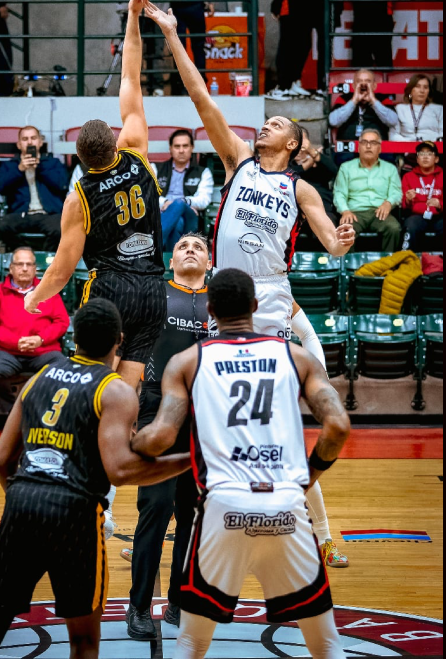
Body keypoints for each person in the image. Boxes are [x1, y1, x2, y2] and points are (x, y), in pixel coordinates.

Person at [144, 0, 355, 568]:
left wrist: (343, 237)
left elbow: (333, 247)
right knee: (226, 413)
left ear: (292, 145)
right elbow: (200, 97)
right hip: (227, 306)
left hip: (277, 306)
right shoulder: (237, 159)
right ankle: (218, 505)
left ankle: (320, 527)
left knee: (313, 410)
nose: (266, 123)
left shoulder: (301, 190)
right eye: (267, 120)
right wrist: (169, 32)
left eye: (278, 123)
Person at [131, 269, 352, 659]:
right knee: (326, 644)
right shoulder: (296, 358)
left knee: (192, 643)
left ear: (211, 311)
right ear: (254, 306)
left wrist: (127, 438)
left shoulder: (187, 361)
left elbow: (161, 437)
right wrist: (307, 477)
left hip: (223, 509)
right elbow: (338, 425)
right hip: (285, 508)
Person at [0, 299, 192, 659]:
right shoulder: (114, 390)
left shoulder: (38, 378)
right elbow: (121, 470)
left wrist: (26, 500)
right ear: (120, 340)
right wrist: (190, 459)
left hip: (22, 506)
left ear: (73, 337)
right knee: (82, 642)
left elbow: (2, 461)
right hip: (74, 515)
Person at [24, 0, 167, 400]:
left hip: (112, 291)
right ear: (116, 141)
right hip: (153, 288)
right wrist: (133, 16)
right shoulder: (138, 153)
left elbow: (61, 272)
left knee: (90, 388)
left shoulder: (79, 197)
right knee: (126, 393)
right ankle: (120, 456)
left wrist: (34, 298)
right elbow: (130, 75)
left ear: (80, 159)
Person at [122, 233, 216, 639]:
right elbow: (126, 353)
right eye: (182, 246)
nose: (190, 249)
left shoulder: (222, 300)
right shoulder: (154, 294)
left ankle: (179, 600)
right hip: (158, 408)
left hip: (206, 413)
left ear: (210, 260)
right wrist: (125, 411)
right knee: (155, 511)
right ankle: (139, 605)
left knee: (193, 516)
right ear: (170, 260)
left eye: (198, 245)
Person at [0, 247, 69, 414]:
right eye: (20, 264)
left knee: (63, 370)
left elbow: (62, 321)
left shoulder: (49, 293)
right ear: (11, 268)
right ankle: (13, 414)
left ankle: (44, 412)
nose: (25, 268)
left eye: (29, 264)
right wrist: (16, 342)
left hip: (43, 351)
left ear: (35, 269)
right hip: (7, 352)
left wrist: (40, 339)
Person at [0, 126, 69, 250]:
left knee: (60, 229)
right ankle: (23, 254)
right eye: (25, 139)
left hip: (49, 215)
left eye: (33, 138)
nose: (29, 142)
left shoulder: (53, 163)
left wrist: (40, 167)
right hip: (21, 214)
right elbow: (0, 188)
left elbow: (62, 185)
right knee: (2, 226)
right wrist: (19, 170)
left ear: (40, 142)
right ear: (19, 145)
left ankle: (47, 260)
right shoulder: (10, 165)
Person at [334, 127, 404, 255]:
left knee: (393, 228)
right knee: (346, 231)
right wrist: (345, 211)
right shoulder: (346, 167)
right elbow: (339, 193)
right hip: (355, 212)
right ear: (359, 147)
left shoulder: (390, 169)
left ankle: (386, 266)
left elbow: (396, 192)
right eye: (364, 142)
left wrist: (388, 203)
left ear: (380, 148)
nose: (368, 146)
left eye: (373, 143)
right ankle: (351, 270)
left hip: (380, 212)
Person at [153, 129, 214, 253]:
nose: (181, 150)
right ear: (170, 148)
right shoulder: (156, 169)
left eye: (185, 146)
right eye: (177, 146)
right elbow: (149, 196)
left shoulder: (203, 172)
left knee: (180, 204)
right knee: (177, 223)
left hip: (189, 216)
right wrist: (166, 203)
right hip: (163, 214)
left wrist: (182, 202)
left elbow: (204, 200)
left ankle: (155, 244)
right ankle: (173, 263)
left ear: (192, 148)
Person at [328, 67, 400, 166]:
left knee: (387, 161)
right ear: (353, 85)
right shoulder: (344, 99)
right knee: (343, 161)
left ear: (374, 85)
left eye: (368, 81)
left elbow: (393, 121)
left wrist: (373, 101)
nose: (363, 85)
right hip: (349, 149)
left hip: (378, 149)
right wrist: (353, 101)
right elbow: (333, 121)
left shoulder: (383, 99)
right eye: (359, 81)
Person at [290, 130, 339, 228]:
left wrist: (312, 152)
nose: (298, 146)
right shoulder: (286, 163)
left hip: (321, 209)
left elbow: (334, 171)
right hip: (294, 210)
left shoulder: (320, 160)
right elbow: (289, 175)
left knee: (327, 226)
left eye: (301, 141)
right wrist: (306, 165)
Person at [400, 140, 443, 251]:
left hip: (440, 215)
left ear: (436, 159)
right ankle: (407, 260)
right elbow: (404, 205)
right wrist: (408, 200)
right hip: (417, 216)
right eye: (421, 154)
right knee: (410, 225)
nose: (425, 157)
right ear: (417, 159)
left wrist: (440, 204)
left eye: (429, 153)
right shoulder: (408, 177)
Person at [392, 73, 443, 143]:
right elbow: (393, 135)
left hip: (432, 149)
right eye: (418, 86)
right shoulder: (400, 109)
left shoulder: (439, 109)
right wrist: (411, 143)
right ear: (410, 90)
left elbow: (442, 134)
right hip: (407, 149)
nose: (422, 91)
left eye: (425, 87)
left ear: (429, 91)